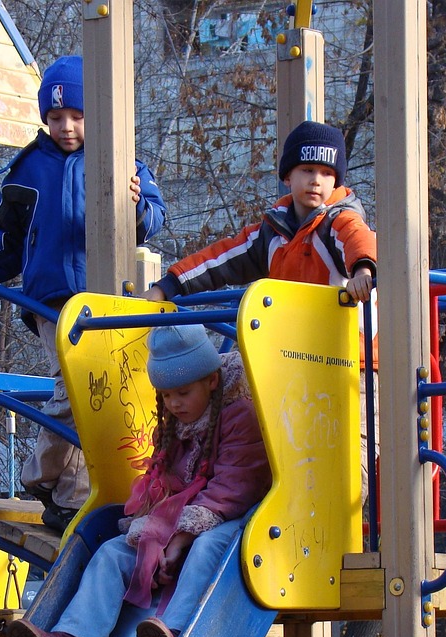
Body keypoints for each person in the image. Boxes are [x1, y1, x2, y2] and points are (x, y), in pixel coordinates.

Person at [0, 55, 168, 534]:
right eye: (56, 117)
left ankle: (65, 493)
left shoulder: (124, 162)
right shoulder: (28, 170)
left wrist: (134, 203)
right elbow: (7, 245)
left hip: (110, 300)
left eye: (78, 117)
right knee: (74, 385)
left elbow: (153, 221)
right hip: (54, 301)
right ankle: (45, 480)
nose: (66, 127)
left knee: (98, 395)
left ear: (96, 118)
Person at [4, 324, 272, 637]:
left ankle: (175, 634)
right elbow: (163, 485)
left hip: (237, 523)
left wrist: (179, 540)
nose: (175, 403)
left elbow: (233, 488)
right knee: (112, 552)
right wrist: (156, 538)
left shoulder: (239, 417)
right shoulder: (175, 424)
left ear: (212, 381)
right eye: (166, 395)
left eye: (183, 392)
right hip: (178, 521)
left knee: (208, 547)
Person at [144, 120, 378, 486]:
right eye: (306, 170)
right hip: (298, 358)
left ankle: (343, 500)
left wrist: (363, 269)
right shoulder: (273, 231)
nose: (316, 180)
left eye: (326, 173)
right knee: (232, 380)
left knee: (352, 441)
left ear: (337, 182)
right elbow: (222, 258)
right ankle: (208, 471)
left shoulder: (338, 219)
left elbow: (357, 239)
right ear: (288, 177)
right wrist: (167, 285)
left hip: (353, 358)